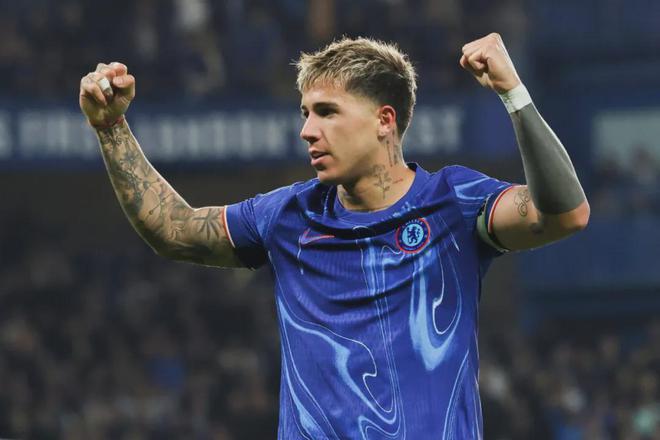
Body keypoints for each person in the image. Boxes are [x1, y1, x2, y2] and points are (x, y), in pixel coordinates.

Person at [79, 33, 589, 439]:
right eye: (305, 113)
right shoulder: (288, 216)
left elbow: (565, 213)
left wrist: (513, 93)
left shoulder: (452, 202)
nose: (307, 130)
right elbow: (175, 229)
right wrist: (111, 127)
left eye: (326, 112)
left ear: (384, 121)